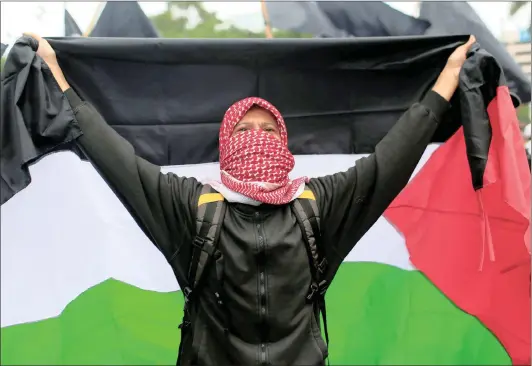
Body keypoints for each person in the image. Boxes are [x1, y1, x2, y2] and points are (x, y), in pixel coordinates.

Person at [26, 33, 476, 366]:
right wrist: (59, 79)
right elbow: (115, 158)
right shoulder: (193, 208)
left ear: (285, 143)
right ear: (225, 141)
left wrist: (446, 84)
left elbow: (389, 163)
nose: (256, 139)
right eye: (244, 130)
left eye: (268, 131)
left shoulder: (317, 206)